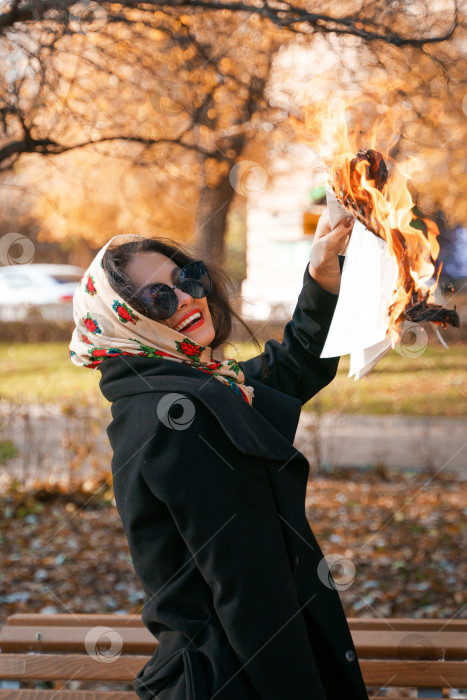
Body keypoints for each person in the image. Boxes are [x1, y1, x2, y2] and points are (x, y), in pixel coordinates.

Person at [69, 209, 369, 700]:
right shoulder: (177, 418)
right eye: (158, 298)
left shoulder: (187, 390)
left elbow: (286, 372)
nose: (187, 298)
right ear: (124, 322)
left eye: (186, 278)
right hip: (235, 678)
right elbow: (251, 597)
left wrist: (321, 278)